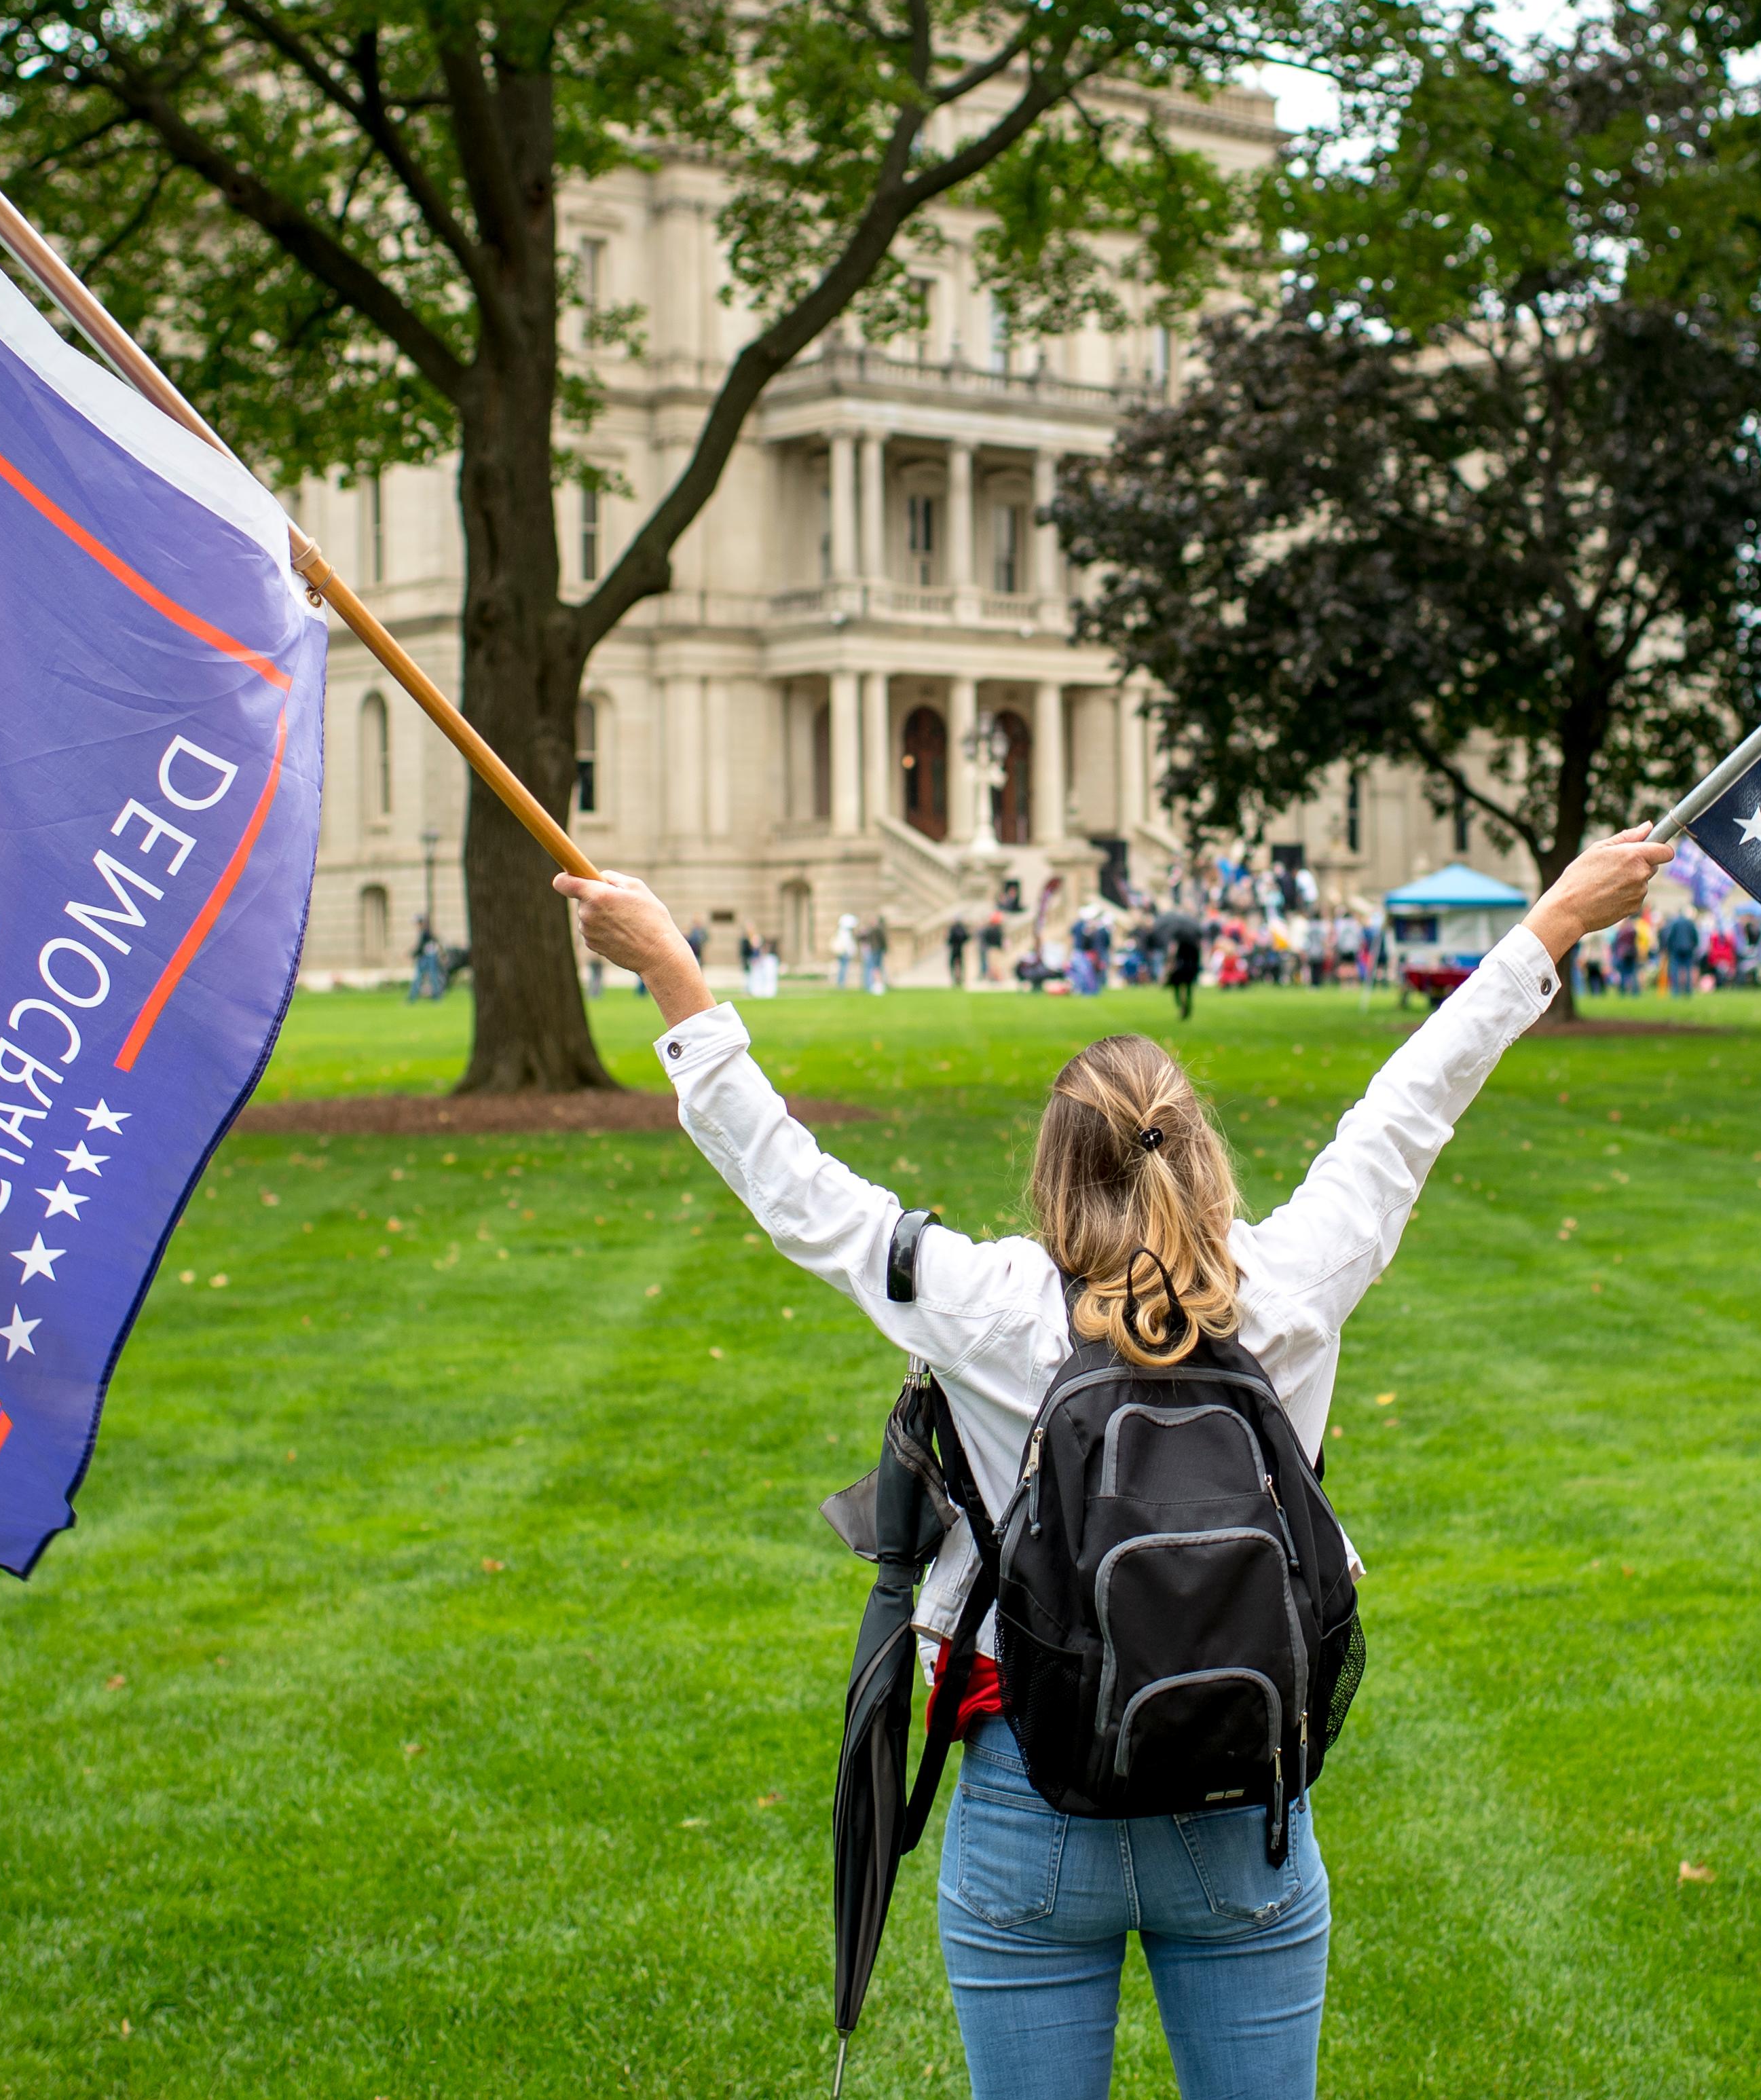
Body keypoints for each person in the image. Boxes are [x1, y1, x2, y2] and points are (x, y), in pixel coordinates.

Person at [555, 824, 1671, 2100]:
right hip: (1236, 1795)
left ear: (1049, 1166)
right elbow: (1410, 1105)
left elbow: (796, 1187)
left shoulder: (982, 1301)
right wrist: (1557, 921)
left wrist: (672, 972)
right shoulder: (1289, 1286)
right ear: (1198, 1150)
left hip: (1031, 1794)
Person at [1164, 917, 1204, 1022]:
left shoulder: (1178, 938)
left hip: (1180, 967)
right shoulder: (1195, 941)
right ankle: (1188, 1005)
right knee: (1189, 988)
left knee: (1176, 987)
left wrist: (1170, 963)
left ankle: (1182, 1005)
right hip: (1191, 967)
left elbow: (1173, 952)